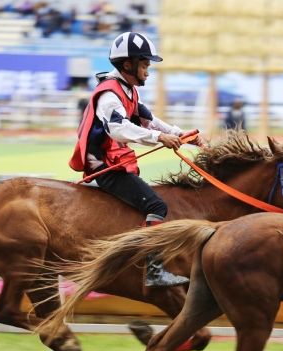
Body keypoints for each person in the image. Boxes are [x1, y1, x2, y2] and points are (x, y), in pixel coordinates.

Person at [69, 32, 201, 288]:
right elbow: (117, 129)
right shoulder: (109, 95)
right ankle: (153, 271)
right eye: (145, 65)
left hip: (113, 162)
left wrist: (179, 134)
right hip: (104, 167)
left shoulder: (128, 91)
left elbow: (149, 121)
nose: (148, 72)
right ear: (128, 65)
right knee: (157, 206)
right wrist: (159, 138)